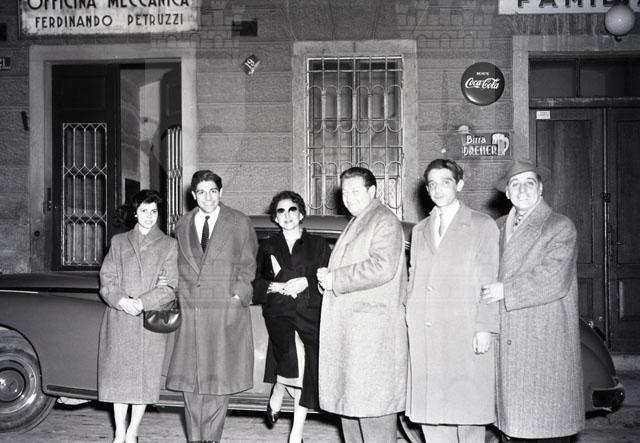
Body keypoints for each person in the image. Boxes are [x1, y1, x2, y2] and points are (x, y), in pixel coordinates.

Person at [481, 159, 585, 442]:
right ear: (507, 193)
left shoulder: (559, 226)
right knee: (513, 428)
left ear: (540, 189)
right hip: (508, 340)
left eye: (529, 183)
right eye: (515, 184)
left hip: (543, 342)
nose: (522, 189)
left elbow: (554, 278)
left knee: (547, 426)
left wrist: (506, 290)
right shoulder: (497, 227)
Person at [405, 159, 499, 443]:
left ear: (459, 184)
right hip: (426, 334)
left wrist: (485, 327)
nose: (438, 189)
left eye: (445, 182)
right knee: (432, 417)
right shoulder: (420, 230)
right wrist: (410, 316)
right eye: (432, 184)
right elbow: (414, 278)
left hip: (464, 331)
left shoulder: (482, 225)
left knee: (467, 414)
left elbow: (489, 279)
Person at [316, 166, 408, 443]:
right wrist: (327, 279)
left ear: (373, 191)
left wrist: (336, 279)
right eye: (345, 192)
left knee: (373, 412)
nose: (349, 197)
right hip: (355, 338)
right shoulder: (360, 220)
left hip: (371, 340)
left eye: (355, 191)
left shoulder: (383, 220)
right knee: (352, 410)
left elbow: (382, 266)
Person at [166, 170, 258, 443]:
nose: (208, 197)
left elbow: (248, 266)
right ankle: (195, 439)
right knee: (191, 384)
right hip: (191, 312)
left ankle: (211, 439)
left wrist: (237, 298)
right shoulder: (182, 225)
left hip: (223, 312)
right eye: (202, 192)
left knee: (219, 382)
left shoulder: (239, 222)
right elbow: (176, 266)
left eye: (213, 191)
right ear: (193, 195)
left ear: (221, 193)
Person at [98, 189, 178, 443]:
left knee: (144, 379)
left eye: (153, 211)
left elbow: (170, 286)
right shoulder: (119, 242)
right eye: (143, 211)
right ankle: (119, 432)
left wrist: (142, 302)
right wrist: (121, 300)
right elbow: (107, 278)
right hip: (120, 317)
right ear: (135, 213)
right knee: (119, 379)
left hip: (148, 320)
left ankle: (132, 432)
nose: (149, 216)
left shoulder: (169, 245)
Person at [252, 190, 332, 443]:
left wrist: (306, 282)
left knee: (304, 368)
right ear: (275, 218)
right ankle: (293, 428)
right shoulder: (268, 245)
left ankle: (293, 422)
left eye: (292, 210)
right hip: (279, 313)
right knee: (298, 359)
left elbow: (329, 279)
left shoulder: (319, 245)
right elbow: (256, 283)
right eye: (281, 211)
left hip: (310, 313)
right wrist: (273, 286)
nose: (287, 215)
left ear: (302, 214)